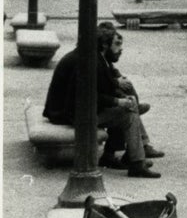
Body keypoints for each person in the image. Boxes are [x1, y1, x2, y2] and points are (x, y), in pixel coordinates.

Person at [43, 27, 163, 178]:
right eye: (115, 43)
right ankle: (136, 163)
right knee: (127, 114)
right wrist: (118, 101)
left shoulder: (91, 57)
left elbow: (99, 88)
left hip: (69, 111)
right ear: (105, 45)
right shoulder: (91, 61)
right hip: (69, 115)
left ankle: (124, 158)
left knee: (123, 111)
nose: (119, 48)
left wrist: (120, 99)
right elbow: (87, 95)